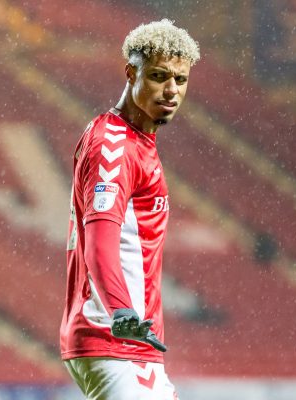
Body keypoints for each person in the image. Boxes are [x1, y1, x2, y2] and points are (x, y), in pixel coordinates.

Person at [60, 19, 200, 400]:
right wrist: (122, 311)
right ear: (131, 73)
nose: (171, 90)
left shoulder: (135, 140)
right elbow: (100, 241)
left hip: (134, 344)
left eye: (181, 79)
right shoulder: (115, 145)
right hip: (112, 336)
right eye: (158, 76)